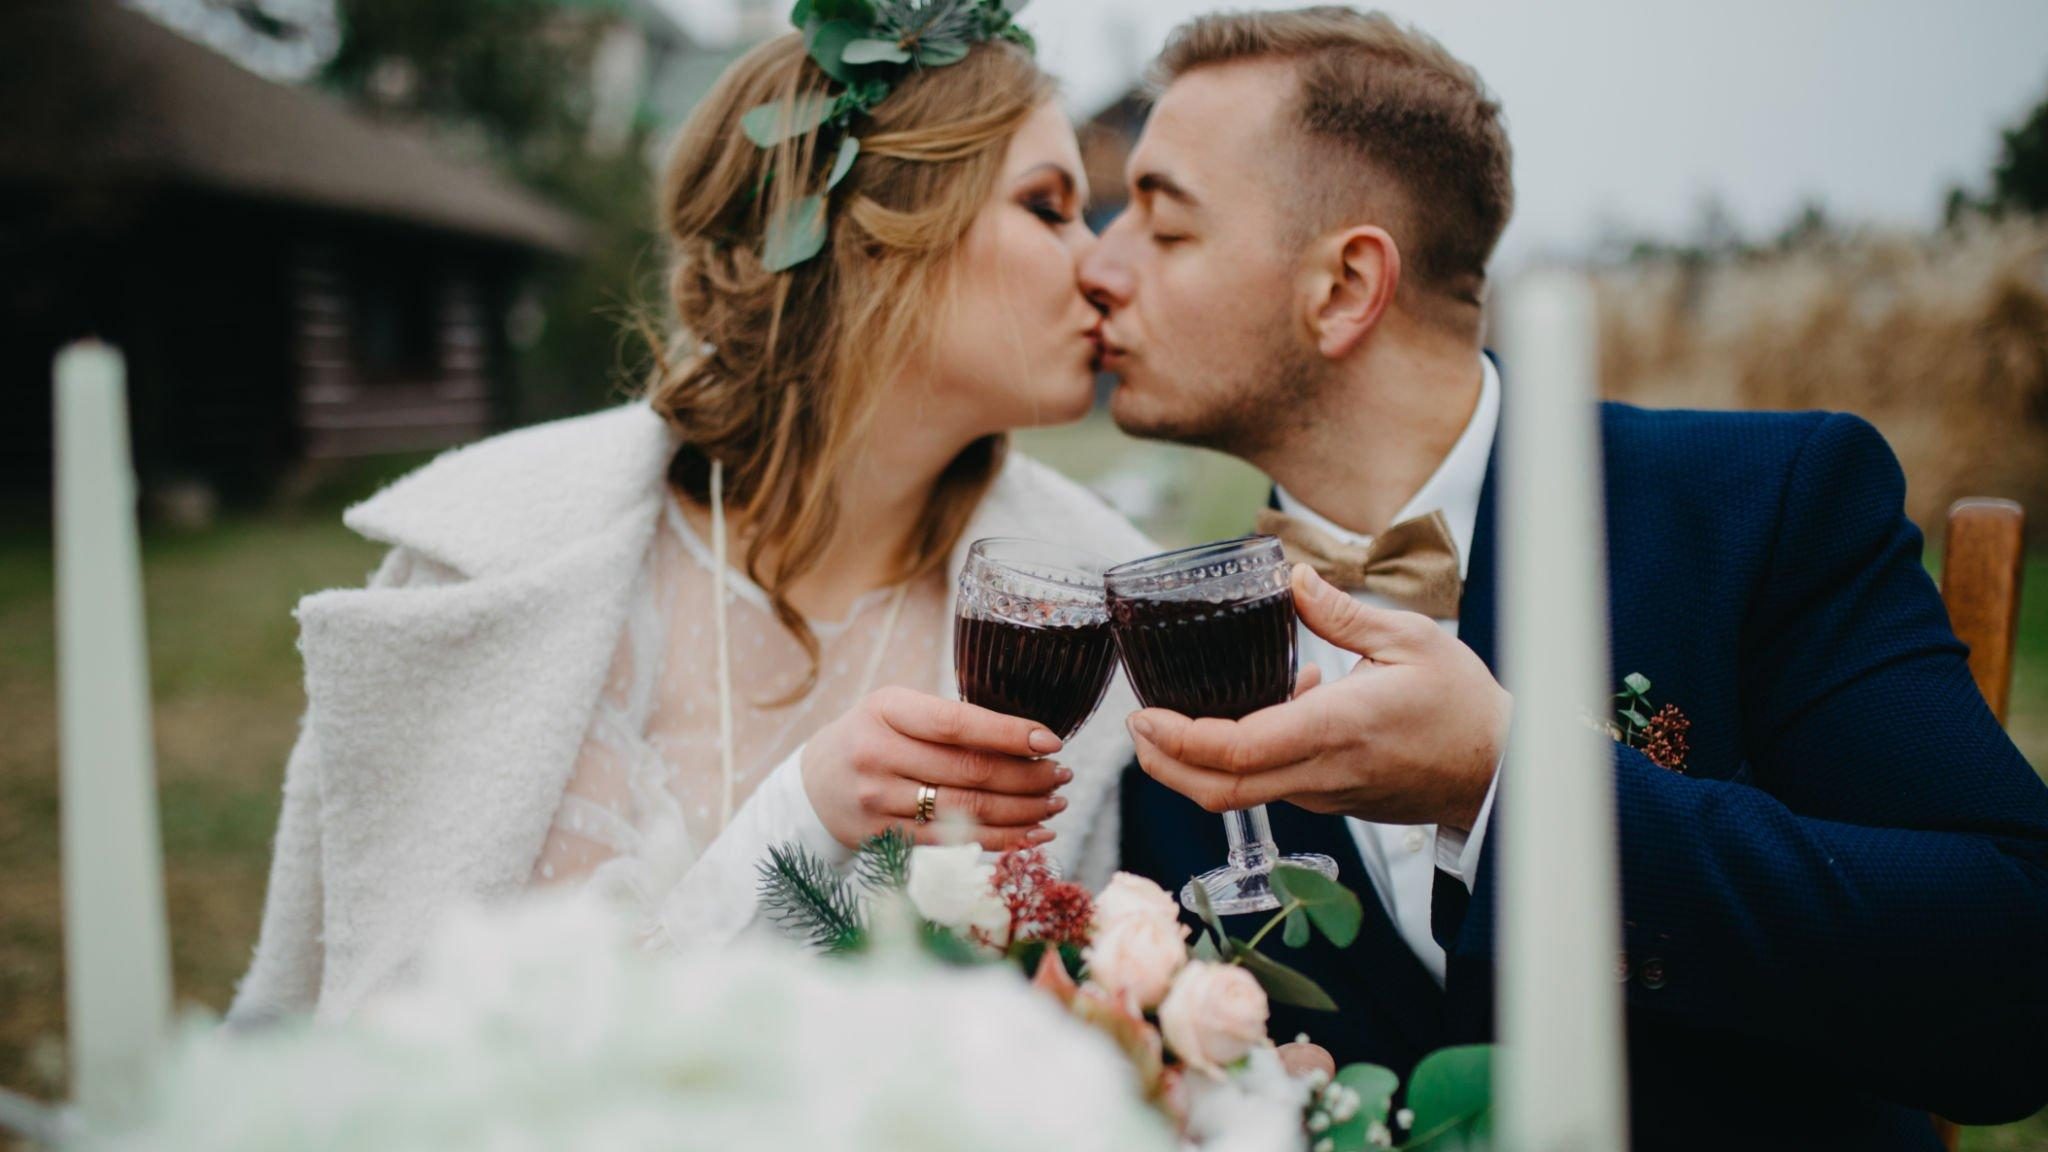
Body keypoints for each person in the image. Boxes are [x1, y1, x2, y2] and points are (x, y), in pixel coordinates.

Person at [1086, 8, 2048, 1148]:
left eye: (1161, 222)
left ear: (1345, 285)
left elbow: (2009, 981)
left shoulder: (1759, 508)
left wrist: (1513, 781)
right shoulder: (1154, 636)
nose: (1096, 266)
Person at [228, 4, 1153, 1025]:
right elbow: (400, 1044)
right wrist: (808, 815)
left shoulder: (1103, 601)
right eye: (1047, 206)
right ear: (877, 239)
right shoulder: (494, 566)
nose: (1104, 265)